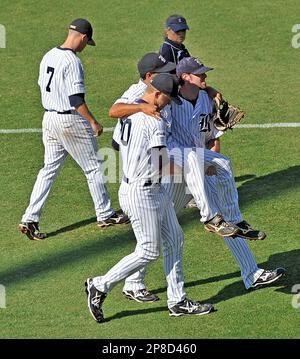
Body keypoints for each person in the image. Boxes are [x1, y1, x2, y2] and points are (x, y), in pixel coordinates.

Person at [108, 56, 285, 300]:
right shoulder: (165, 99)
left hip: (199, 171)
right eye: (200, 74)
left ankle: (251, 272)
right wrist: (140, 107)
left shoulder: (206, 99)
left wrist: (212, 154)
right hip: (174, 174)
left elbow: (212, 137)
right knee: (159, 229)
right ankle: (133, 281)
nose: (205, 77)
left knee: (225, 215)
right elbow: (116, 112)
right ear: (185, 78)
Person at [85, 74, 214, 322]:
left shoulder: (131, 112)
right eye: (167, 98)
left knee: (175, 239)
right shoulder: (153, 121)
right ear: (156, 94)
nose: (169, 104)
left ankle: (177, 300)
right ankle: (100, 285)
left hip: (150, 188)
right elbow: (161, 163)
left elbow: (117, 138)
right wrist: (195, 169)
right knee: (148, 251)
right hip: (142, 192)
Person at [19, 18, 128, 241]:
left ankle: (30, 218)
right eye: (87, 43)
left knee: (48, 169)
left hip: (48, 118)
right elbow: (76, 99)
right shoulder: (72, 61)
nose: (85, 47)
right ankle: (105, 214)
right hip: (70, 120)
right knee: (94, 167)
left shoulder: (49, 54)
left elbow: (42, 86)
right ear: (83, 38)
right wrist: (92, 121)